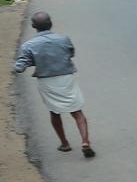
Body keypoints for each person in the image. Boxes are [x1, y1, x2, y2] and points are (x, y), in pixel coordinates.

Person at [12, 12, 94, 158]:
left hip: (47, 81)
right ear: (50, 24)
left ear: (33, 26)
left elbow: (21, 64)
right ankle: (85, 141)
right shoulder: (64, 39)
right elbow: (70, 53)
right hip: (66, 78)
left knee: (54, 112)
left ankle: (65, 143)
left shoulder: (28, 45)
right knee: (77, 111)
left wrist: (20, 66)